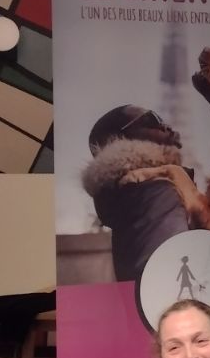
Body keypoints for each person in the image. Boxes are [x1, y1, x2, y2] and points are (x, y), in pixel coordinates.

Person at [81, 105, 190, 282]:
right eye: (151, 119)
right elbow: (168, 273)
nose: (165, 126)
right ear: (120, 140)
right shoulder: (158, 191)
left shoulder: (129, 195)